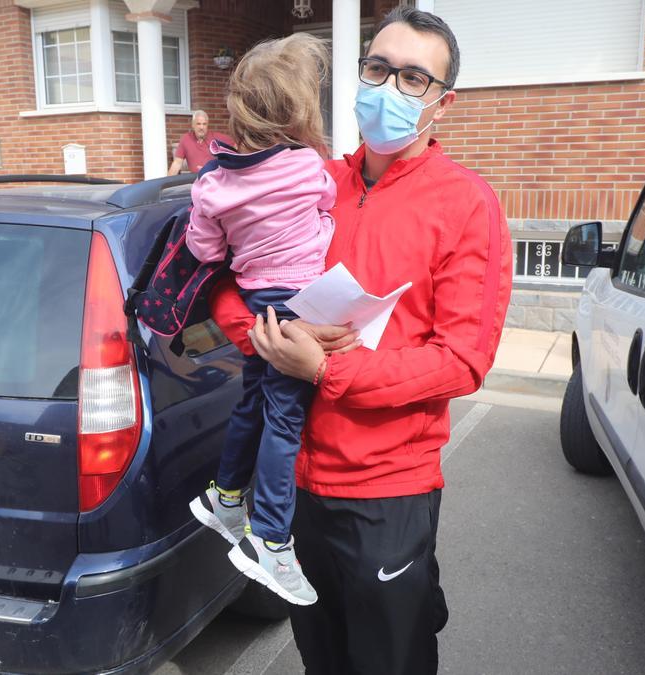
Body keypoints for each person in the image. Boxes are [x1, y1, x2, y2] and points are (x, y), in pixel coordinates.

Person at [206, 7, 513, 674]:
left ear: (443, 102)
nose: (388, 87)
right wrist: (268, 336)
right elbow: (227, 285)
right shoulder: (309, 179)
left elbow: (462, 360)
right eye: (377, 68)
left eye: (412, 77)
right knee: (323, 658)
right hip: (293, 486)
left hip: (387, 494)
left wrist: (325, 371)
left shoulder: (466, 203)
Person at [185, 33, 336, 607]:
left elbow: (203, 251)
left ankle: (224, 497)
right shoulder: (307, 166)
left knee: (254, 401)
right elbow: (327, 211)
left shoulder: (213, 185)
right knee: (284, 420)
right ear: (300, 110)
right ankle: (268, 537)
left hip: (254, 302)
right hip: (299, 307)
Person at [168, 110, 232, 175]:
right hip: (194, 179)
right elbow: (177, 163)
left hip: (213, 178)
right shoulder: (186, 139)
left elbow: (236, 146)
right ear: (193, 125)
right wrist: (167, 182)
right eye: (198, 124)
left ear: (207, 125)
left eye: (204, 124)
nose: (201, 127)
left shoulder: (217, 137)